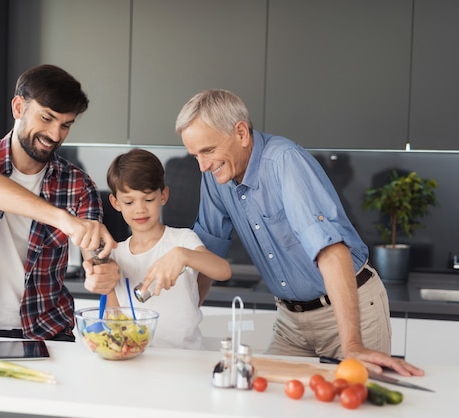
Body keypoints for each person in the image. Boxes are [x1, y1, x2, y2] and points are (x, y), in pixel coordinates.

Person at [175, 89, 424, 376]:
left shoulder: (285, 162)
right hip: (291, 322)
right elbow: (206, 253)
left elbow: (331, 252)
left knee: (354, 404)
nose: (203, 165)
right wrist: (183, 324)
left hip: (346, 311)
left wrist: (352, 344)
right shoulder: (215, 178)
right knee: (266, 399)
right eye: (195, 155)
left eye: (208, 150)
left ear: (241, 133)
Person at [0, 64, 118, 341]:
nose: (55, 135)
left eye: (65, 125)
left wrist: (102, 272)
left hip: (47, 332)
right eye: (46, 118)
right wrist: (61, 218)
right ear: (19, 107)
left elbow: (95, 254)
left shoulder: (78, 185)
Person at [104, 149, 231, 349]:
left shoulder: (182, 240)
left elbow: (223, 271)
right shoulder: (116, 255)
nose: (139, 209)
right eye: (129, 202)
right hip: (139, 361)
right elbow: (113, 317)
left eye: (148, 199)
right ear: (115, 203)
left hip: (187, 360)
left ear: (163, 195)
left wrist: (183, 255)